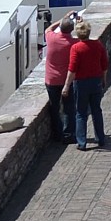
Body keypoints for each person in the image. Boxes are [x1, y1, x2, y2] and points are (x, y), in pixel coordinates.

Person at [65, 16, 109, 150]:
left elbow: (72, 69)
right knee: (96, 110)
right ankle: (101, 138)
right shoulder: (97, 44)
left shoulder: (76, 48)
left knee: (81, 113)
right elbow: (105, 65)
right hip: (95, 81)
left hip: (81, 83)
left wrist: (66, 86)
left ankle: (82, 142)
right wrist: (104, 80)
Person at [43, 16, 75, 144]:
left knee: (54, 108)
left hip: (51, 80)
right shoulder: (74, 43)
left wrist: (63, 17)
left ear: (61, 27)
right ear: (71, 30)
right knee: (69, 108)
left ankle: (57, 134)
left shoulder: (51, 38)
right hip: (67, 81)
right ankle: (68, 135)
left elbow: (49, 29)